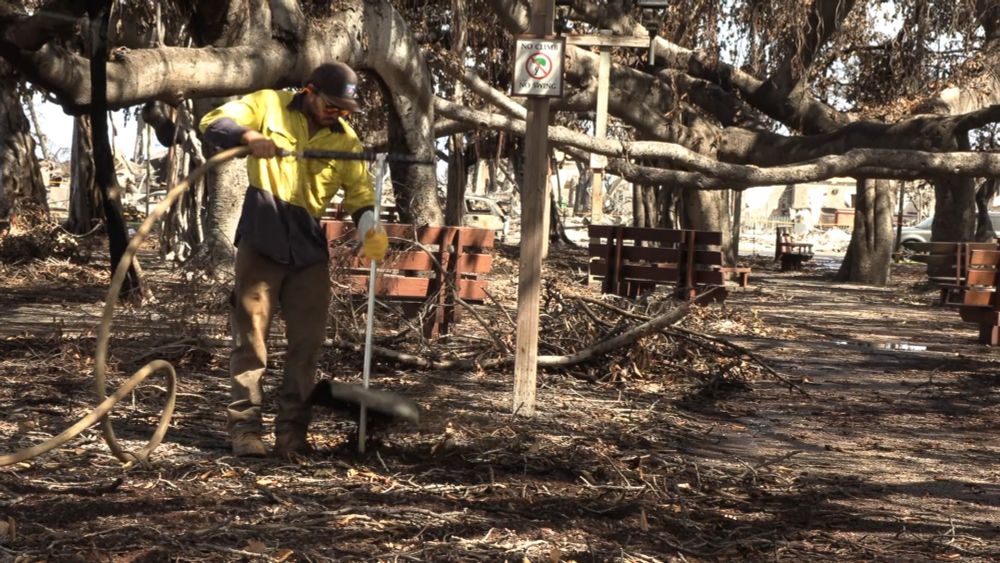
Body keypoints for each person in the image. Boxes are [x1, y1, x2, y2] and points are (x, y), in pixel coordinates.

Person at [198, 62, 388, 458]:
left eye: (344, 108)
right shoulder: (267, 105)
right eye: (331, 103)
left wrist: (371, 225)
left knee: (308, 345)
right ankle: (246, 430)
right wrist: (250, 136)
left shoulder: (347, 142)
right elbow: (214, 122)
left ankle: (291, 437)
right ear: (309, 90)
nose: (338, 112)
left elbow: (358, 193)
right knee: (251, 341)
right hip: (263, 237)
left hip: (307, 246)